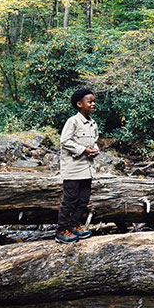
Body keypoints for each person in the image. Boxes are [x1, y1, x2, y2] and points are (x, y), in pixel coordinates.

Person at [57, 86, 100, 242]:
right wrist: (83, 150)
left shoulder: (93, 124)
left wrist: (95, 150)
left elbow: (95, 142)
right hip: (73, 169)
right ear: (79, 104)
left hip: (87, 170)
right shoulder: (73, 121)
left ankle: (74, 226)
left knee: (84, 200)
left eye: (94, 101)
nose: (93, 104)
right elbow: (65, 141)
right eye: (89, 102)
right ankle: (61, 231)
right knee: (69, 200)